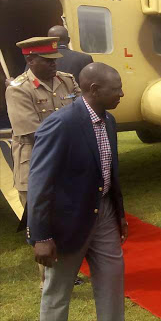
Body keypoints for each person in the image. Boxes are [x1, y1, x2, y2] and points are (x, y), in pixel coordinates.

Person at [27, 62, 127, 321]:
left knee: (112, 281)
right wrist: (41, 236)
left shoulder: (110, 121)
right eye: (116, 89)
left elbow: (109, 172)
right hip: (67, 220)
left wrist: (119, 215)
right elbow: (39, 182)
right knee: (58, 291)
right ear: (94, 89)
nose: (121, 94)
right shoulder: (61, 124)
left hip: (103, 213)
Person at [5, 36, 81, 288]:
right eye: (47, 61)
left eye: (54, 60)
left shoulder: (66, 80)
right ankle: (48, 282)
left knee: (67, 221)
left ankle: (69, 272)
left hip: (67, 164)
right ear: (30, 60)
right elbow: (32, 133)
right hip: (36, 167)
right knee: (43, 227)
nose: (53, 65)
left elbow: (85, 111)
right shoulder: (18, 89)